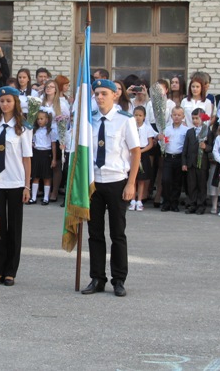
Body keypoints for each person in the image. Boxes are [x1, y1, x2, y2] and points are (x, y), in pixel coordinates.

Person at [81, 79, 140, 298]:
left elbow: (135, 152)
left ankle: (119, 279)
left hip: (117, 181)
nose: (99, 97)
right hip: (95, 182)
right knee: (94, 234)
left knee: (117, 233)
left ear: (115, 95)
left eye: (104, 93)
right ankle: (97, 278)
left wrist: (131, 183)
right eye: (96, 94)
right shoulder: (91, 120)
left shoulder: (125, 120)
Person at [0, 86, 32, 287]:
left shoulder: (23, 128)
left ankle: (11, 271)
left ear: (15, 103)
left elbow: (26, 159)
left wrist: (27, 186)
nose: (5, 104)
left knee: (14, 227)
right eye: (2, 101)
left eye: (9, 101)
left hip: (15, 182)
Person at [182, 108, 214, 215]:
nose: (195, 121)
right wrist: (184, 162)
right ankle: (192, 204)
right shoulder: (189, 132)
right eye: (193, 118)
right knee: (191, 185)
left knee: (201, 185)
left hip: (202, 164)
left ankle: (201, 205)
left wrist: (206, 147)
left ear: (202, 118)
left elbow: (212, 147)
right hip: (191, 163)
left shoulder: (207, 131)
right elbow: (185, 149)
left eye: (197, 118)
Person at [158, 106, 189, 212]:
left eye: (179, 115)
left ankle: (174, 203)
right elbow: (163, 143)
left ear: (183, 116)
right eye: (174, 115)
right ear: (171, 116)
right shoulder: (166, 129)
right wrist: (161, 140)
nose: (176, 117)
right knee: (166, 180)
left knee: (177, 182)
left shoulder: (186, 130)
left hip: (179, 158)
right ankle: (166, 202)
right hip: (168, 157)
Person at [129, 106, 156, 212]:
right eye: (136, 115)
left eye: (140, 115)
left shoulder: (147, 128)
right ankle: (132, 200)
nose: (138, 118)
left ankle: (139, 200)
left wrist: (141, 151)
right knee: (133, 178)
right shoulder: (130, 127)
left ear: (144, 117)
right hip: (132, 153)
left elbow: (150, 144)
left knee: (141, 179)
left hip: (142, 152)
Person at [28, 107, 57, 205]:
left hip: (46, 154)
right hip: (36, 153)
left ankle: (45, 198)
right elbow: (33, 141)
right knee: (35, 176)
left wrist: (53, 159)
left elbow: (53, 145)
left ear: (47, 120)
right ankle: (33, 197)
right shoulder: (35, 130)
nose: (39, 121)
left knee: (46, 177)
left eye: (42, 119)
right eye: (38, 119)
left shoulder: (50, 131)